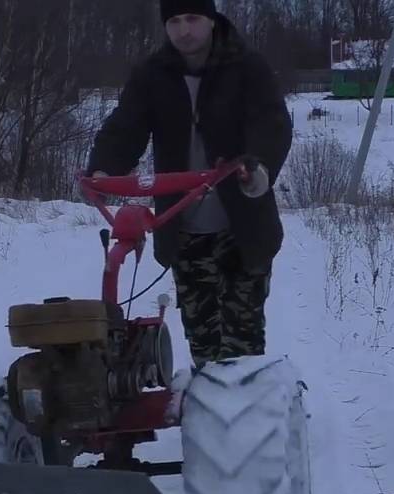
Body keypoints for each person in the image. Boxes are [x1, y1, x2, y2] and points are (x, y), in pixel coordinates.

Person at [85, 0, 293, 368]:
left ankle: (245, 418)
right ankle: (210, 416)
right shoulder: (153, 74)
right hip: (184, 231)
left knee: (241, 349)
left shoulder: (247, 68)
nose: (184, 30)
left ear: (211, 20)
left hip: (242, 228)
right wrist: (103, 170)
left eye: (193, 18)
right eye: (175, 21)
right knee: (203, 344)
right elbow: (126, 126)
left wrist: (256, 167)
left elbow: (271, 125)